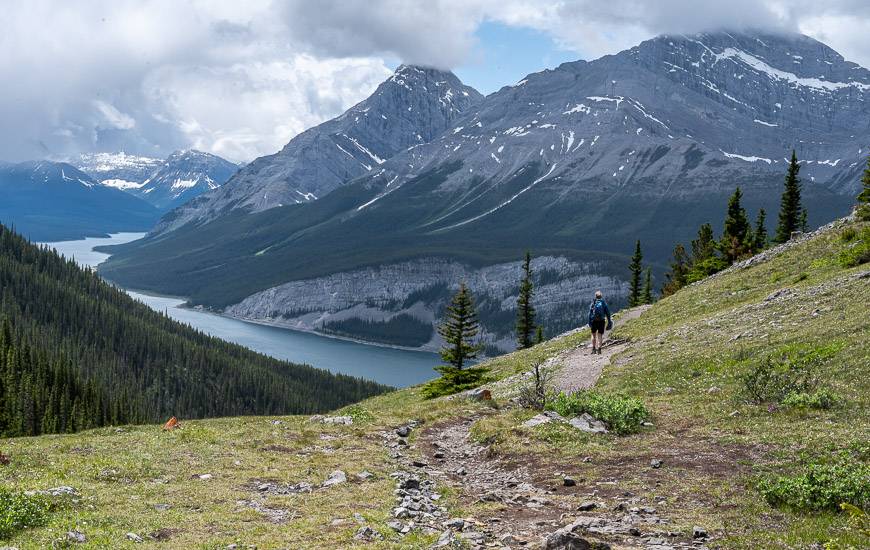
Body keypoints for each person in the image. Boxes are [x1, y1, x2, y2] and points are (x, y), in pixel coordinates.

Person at [587, 290, 612, 355]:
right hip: (601, 321)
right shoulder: (603, 303)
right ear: (601, 296)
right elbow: (608, 313)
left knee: (593, 334)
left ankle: (593, 349)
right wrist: (609, 321)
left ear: (595, 296)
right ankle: (599, 349)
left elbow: (590, 314)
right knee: (600, 335)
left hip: (594, 321)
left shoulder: (593, 303)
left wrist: (589, 322)